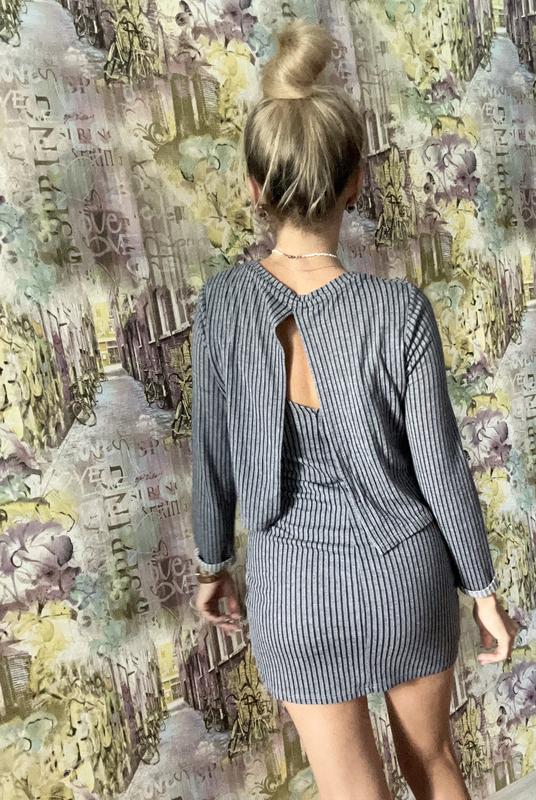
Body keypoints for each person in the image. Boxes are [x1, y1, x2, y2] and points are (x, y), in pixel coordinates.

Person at [191, 18, 519, 800]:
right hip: (404, 577)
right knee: (433, 764)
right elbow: (441, 467)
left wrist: (212, 565)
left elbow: (212, 455)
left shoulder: (223, 304)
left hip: (294, 593)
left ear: (254, 187)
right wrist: (483, 592)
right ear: (354, 183)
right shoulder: (398, 311)